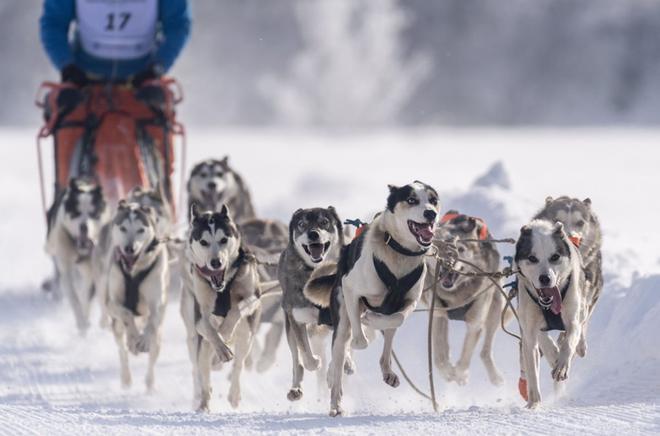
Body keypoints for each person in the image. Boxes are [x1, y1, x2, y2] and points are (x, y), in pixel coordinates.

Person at [40, 0, 191, 86]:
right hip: (85, 76)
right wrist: (66, 66)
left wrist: (158, 67)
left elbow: (177, 25)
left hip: (143, 77)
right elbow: (54, 23)